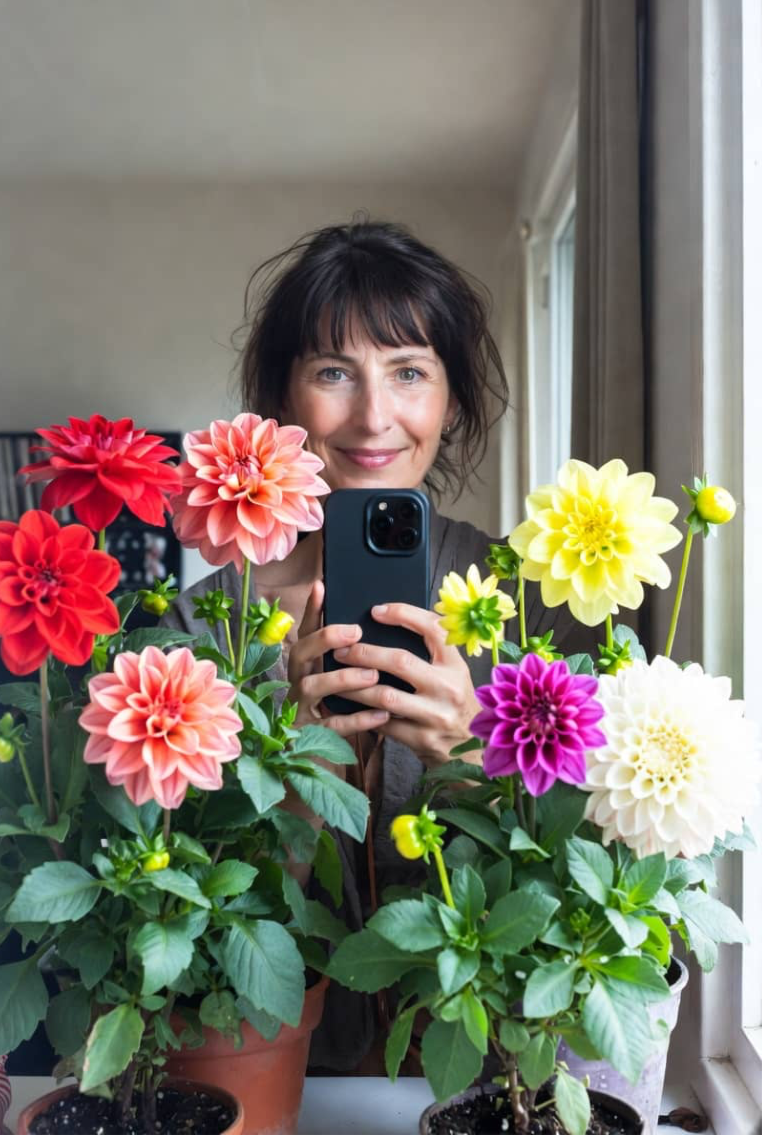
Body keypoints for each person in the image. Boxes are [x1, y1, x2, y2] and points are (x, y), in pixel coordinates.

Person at [166, 218, 562, 1072]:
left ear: (449, 397)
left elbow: (568, 901)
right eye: (334, 372)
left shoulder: (528, 606)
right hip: (266, 1080)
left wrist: (469, 754)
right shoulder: (201, 633)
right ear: (283, 397)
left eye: (409, 371)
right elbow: (181, 952)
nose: (375, 416)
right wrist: (293, 775)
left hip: (483, 1089)